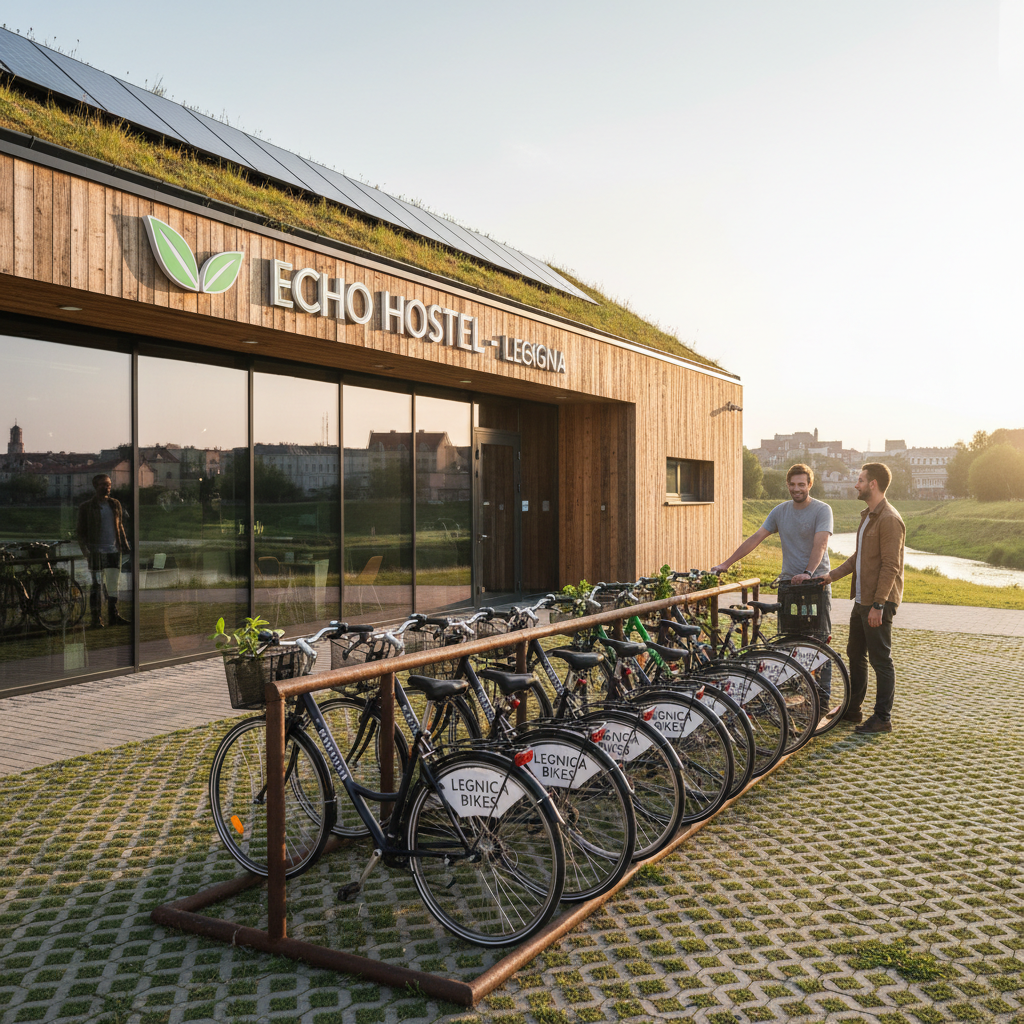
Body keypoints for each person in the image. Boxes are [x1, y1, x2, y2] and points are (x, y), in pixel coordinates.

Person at [711, 462, 834, 709]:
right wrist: (726, 563)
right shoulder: (780, 511)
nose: (797, 488)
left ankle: (822, 700)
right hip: (789, 585)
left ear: (810, 485)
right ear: (787, 485)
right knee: (789, 642)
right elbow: (756, 538)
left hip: (815, 585)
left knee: (819, 641)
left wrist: (808, 573)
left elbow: (820, 544)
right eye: (793, 484)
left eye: (802, 484)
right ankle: (800, 693)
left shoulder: (822, 510)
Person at [817, 463, 904, 734]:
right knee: (855, 653)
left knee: (881, 660)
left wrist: (879, 604)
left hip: (878, 602)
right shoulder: (868, 515)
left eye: (860, 480)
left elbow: (891, 566)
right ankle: (853, 709)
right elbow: (859, 556)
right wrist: (831, 576)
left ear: (873, 484)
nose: (856, 485)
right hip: (862, 600)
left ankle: (882, 718)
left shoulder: (889, 519)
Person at [76, 473, 130, 627]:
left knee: (113, 586)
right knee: (96, 586)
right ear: (96, 486)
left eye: (109, 485)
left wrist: (125, 545)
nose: (107, 487)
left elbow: (120, 526)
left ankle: (113, 616)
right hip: (96, 552)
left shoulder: (115, 504)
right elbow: (80, 532)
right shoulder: (86, 507)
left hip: (113, 551)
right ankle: (96, 618)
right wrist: (86, 552)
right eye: (104, 484)